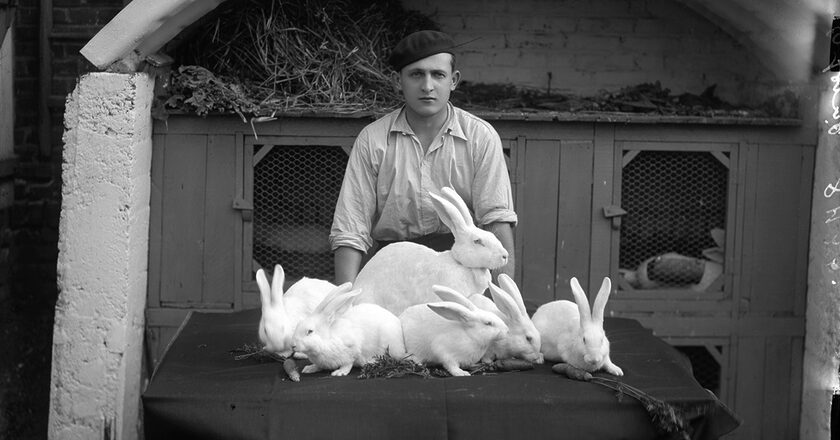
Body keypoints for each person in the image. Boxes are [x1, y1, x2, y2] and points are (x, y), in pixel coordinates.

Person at [329, 30, 517, 285]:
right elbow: (351, 230)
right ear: (399, 81)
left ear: (454, 80)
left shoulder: (480, 137)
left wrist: (505, 303)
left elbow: (496, 220)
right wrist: (344, 306)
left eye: (438, 74)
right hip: (393, 269)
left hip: (462, 268)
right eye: (416, 74)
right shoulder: (372, 140)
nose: (427, 86)